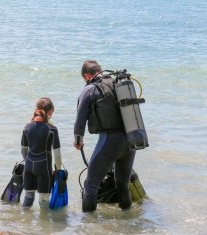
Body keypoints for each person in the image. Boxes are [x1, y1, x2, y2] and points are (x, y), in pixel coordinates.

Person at [73, 60, 135, 212]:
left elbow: (80, 120)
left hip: (110, 141)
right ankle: (128, 218)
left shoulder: (89, 89)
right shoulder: (118, 84)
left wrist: (78, 140)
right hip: (131, 140)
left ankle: (88, 226)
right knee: (122, 184)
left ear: (87, 76)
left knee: (91, 185)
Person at [21, 97, 62, 208]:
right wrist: (58, 171)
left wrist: (29, 162)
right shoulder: (52, 129)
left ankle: (24, 223)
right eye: (52, 112)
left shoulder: (27, 127)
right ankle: (43, 225)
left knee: (28, 198)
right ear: (49, 112)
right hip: (44, 169)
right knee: (43, 202)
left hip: (28, 167)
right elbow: (57, 154)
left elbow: (23, 150)